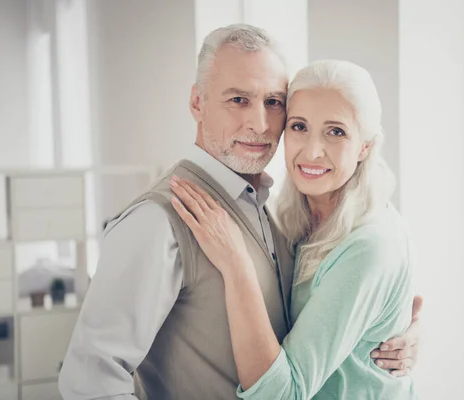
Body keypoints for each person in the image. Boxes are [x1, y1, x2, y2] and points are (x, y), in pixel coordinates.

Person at [59, 24, 421, 400]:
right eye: (238, 100)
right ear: (197, 102)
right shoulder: (157, 222)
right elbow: (90, 383)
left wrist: (387, 330)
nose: (259, 124)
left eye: (273, 102)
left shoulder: (270, 207)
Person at [170, 59, 416, 399]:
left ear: (365, 146)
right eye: (299, 127)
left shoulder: (369, 245)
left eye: (336, 132)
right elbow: (403, 305)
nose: (312, 152)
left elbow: (284, 395)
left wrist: (236, 264)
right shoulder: (291, 216)